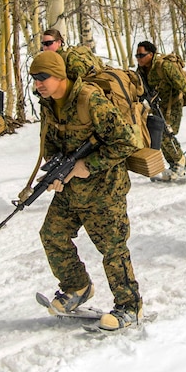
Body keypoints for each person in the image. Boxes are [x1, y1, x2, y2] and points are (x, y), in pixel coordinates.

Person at [29, 51, 143, 330]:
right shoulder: (48, 103)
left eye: (43, 77)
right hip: (70, 187)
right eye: (34, 78)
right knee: (52, 235)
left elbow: (129, 141)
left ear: (60, 76)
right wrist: (54, 173)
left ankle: (129, 307)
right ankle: (77, 287)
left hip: (105, 189)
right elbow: (52, 142)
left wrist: (88, 165)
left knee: (112, 248)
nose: (38, 84)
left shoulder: (89, 99)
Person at [135, 40, 186, 182]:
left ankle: (181, 162)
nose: (139, 58)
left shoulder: (164, 66)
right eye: (137, 56)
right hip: (157, 106)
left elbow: (182, 83)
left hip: (173, 104)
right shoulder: (141, 71)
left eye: (141, 55)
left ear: (151, 54)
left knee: (167, 134)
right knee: (158, 135)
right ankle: (174, 164)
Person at [39, 29, 104, 80]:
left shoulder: (70, 58)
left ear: (59, 42)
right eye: (43, 44)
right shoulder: (47, 61)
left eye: (48, 43)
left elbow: (83, 81)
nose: (45, 47)